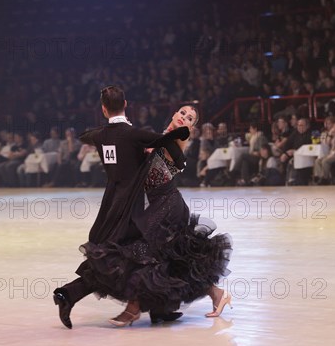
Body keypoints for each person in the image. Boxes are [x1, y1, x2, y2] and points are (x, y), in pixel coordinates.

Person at [78, 103, 231, 327]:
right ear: (174, 113)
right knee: (176, 262)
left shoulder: (179, 136)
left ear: (191, 127)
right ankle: (217, 294)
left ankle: (133, 308)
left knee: (144, 256)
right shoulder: (162, 136)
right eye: (183, 113)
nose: (184, 118)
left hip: (168, 207)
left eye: (190, 118)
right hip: (158, 205)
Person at [53, 86, 190, 328]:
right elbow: (164, 144)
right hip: (132, 207)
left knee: (123, 256)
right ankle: (69, 293)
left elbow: (85, 135)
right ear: (126, 104)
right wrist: (179, 133)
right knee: (125, 258)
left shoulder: (101, 135)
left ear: (103, 109)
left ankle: (160, 308)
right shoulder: (134, 134)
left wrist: (103, 130)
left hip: (110, 205)